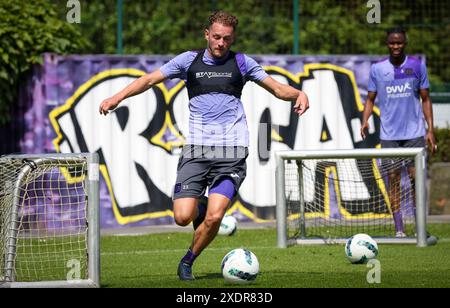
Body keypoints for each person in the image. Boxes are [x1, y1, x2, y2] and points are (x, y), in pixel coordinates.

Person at [99, 11, 309, 280]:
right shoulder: (188, 61)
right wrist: (117, 97)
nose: (221, 43)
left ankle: (188, 261)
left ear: (233, 39)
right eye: (217, 37)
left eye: (227, 39)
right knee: (182, 217)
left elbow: (277, 88)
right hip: (197, 153)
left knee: (214, 217)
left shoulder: (242, 63)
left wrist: (299, 93)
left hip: (232, 154)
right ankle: (200, 203)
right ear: (207, 34)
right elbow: (148, 80)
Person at [360, 27, 436, 238]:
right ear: (387, 44)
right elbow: (370, 99)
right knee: (393, 179)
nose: (395, 46)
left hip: (414, 134)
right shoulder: (378, 69)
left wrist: (430, 130)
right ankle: (399, 229)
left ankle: (420, 227)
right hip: (389, 136)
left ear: (405, 43)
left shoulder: (417, 66)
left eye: (399, 43)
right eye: (392, 43)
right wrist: (365, 120)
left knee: (415, 179)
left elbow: (426, 99)